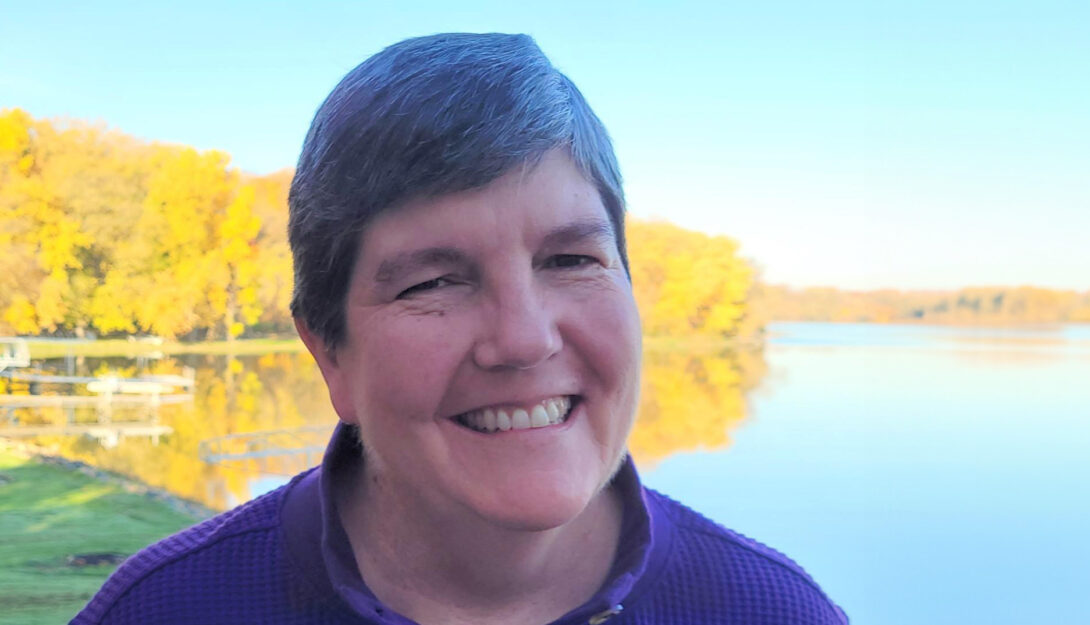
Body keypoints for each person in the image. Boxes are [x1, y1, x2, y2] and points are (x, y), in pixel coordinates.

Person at [72, 33, 848, 625]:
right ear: (328, 354)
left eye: (571, 259)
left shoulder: (770, 609)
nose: (524, 338)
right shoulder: (164, 607)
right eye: (434, 281)